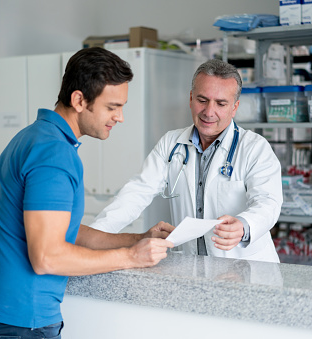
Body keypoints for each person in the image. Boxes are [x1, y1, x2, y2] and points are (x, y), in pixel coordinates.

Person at [0, 47, 174, 338]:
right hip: (18, 324)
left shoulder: (35, 137)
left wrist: (136, 239)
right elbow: (48, 256)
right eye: (112, 107)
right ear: (79, 100)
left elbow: (64, 231)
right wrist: (130, 257)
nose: (120, 117)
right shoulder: (54, 154)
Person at [90, 59, 283, 262]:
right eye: (202, 100)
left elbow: (268, 203)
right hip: (191, 267)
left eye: (221, 103)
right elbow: (135, 193)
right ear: (191, 99)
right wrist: (94, 236)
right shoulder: (171, 143)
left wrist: (244, 225)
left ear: (234, 108)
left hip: (246, 268)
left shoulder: (254, 148)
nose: (209, 112)